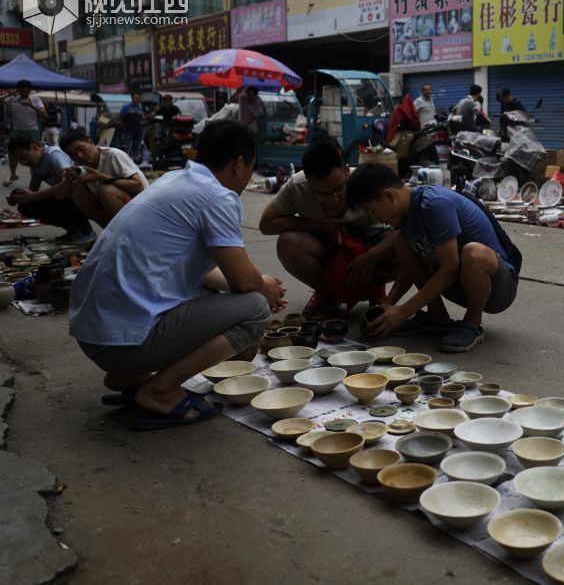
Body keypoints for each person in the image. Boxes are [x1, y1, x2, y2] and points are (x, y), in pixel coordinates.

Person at [68, 120, 286, 430]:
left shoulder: (175, 180)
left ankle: (130, 376)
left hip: (94, 334)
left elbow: (204, 271)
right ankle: (161, 390)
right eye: (252, 166)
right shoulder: (217, 197)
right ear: (239, 164)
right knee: (254, 309)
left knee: (217, 295)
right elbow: (243, 282)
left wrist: (257, 282)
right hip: (120, 342)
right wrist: (260, 284)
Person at [347, 163, 521, 353]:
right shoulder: (408, 213)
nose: (376, 219)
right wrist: (388, 306)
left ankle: (472, 323)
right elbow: (410, 268)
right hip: (460, 283)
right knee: (399, 241)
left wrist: (404, 311)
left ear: (390, 196)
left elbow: (450, 268)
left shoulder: (434, 204)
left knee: (474, 253)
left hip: (498, 288)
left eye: (373, 211)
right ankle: (437, 317)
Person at [259, 141, 397, 320]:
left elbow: (404, 229)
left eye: (339, 188)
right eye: (322, 194)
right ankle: (327, 293)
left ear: (347, 171)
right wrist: (319, 226)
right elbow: (266, 225)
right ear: (309, 182)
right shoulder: (297, 186)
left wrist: (371, 257)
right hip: (328, 250)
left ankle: (376, 287)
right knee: (289, 243)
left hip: (372, 247)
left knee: (403, 249)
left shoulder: (366, 182)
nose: (333, 198)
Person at [5, 135, 94, 244]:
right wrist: (18, 198)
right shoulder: (35, 165)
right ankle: (74, 228)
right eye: (21, 161)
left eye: (25, 158)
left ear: (34, 147)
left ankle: (85, 229)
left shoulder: (53, 155)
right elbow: (32, 192)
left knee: (67, 194)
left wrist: (32, 196)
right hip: (64, 195)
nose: (25, 163)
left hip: (82, 195)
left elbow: (69, 183)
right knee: (25, 205)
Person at [60, 128, 148, 227]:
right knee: (76, 191)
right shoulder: (78, 168)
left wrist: (101, 177)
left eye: (81, 149)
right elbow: (61, 196)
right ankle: (109, 233)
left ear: (90, 142)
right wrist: (68, 180)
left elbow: (138, 186)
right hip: (117, 209)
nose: (79, 156)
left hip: (143, 207)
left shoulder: (113, 155)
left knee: (106, 191)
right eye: (72, 154)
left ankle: (131, 232)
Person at [3, 79, 46, 187]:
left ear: (29, 91)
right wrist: (8, 94)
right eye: (21, 91)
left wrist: (32, 106)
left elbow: (44, 115)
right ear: (18, 90)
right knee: (12, 153)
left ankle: (36, 175)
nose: (24, 93)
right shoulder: (12, 100)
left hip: (32, 130)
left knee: (36, 153)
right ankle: (13, 175)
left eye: (26, 91)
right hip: (17, 130)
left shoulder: (35, 99)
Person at [119, 91, 146, 161]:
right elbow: (121, 117)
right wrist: (123, 126)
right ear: (132, 98)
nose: (137, 99)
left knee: (136, 146)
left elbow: (142, 118)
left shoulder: (140, 108)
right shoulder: (126, 107)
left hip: (137, 131)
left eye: (138, 98)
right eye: (135, 97)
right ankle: (124, 160)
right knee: (126, 146)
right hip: (128, 130)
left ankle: (135, 160)